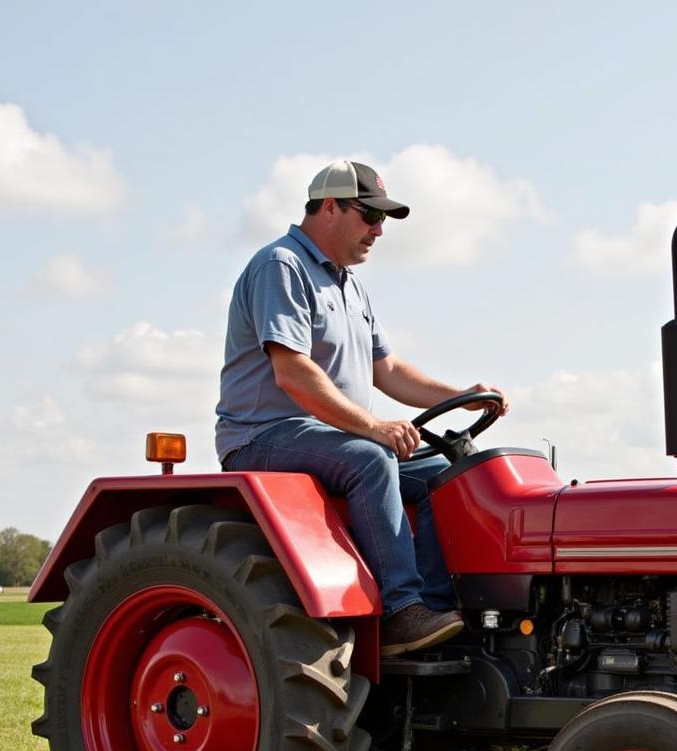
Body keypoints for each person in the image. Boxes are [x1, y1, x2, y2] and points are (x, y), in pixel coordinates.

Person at [216, 159, 508, 656]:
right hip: (264, 435)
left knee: (451, 473)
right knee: (370, 459)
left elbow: (387, 370)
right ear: (329, 207)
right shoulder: (281, 266)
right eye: (369, 216)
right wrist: (372, 426)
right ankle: (401, 612)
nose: (378, 230)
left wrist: (459, 397)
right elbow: (293, 373)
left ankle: (435, 616)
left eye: (384, 220)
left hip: (329, 436)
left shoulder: (351, 285)